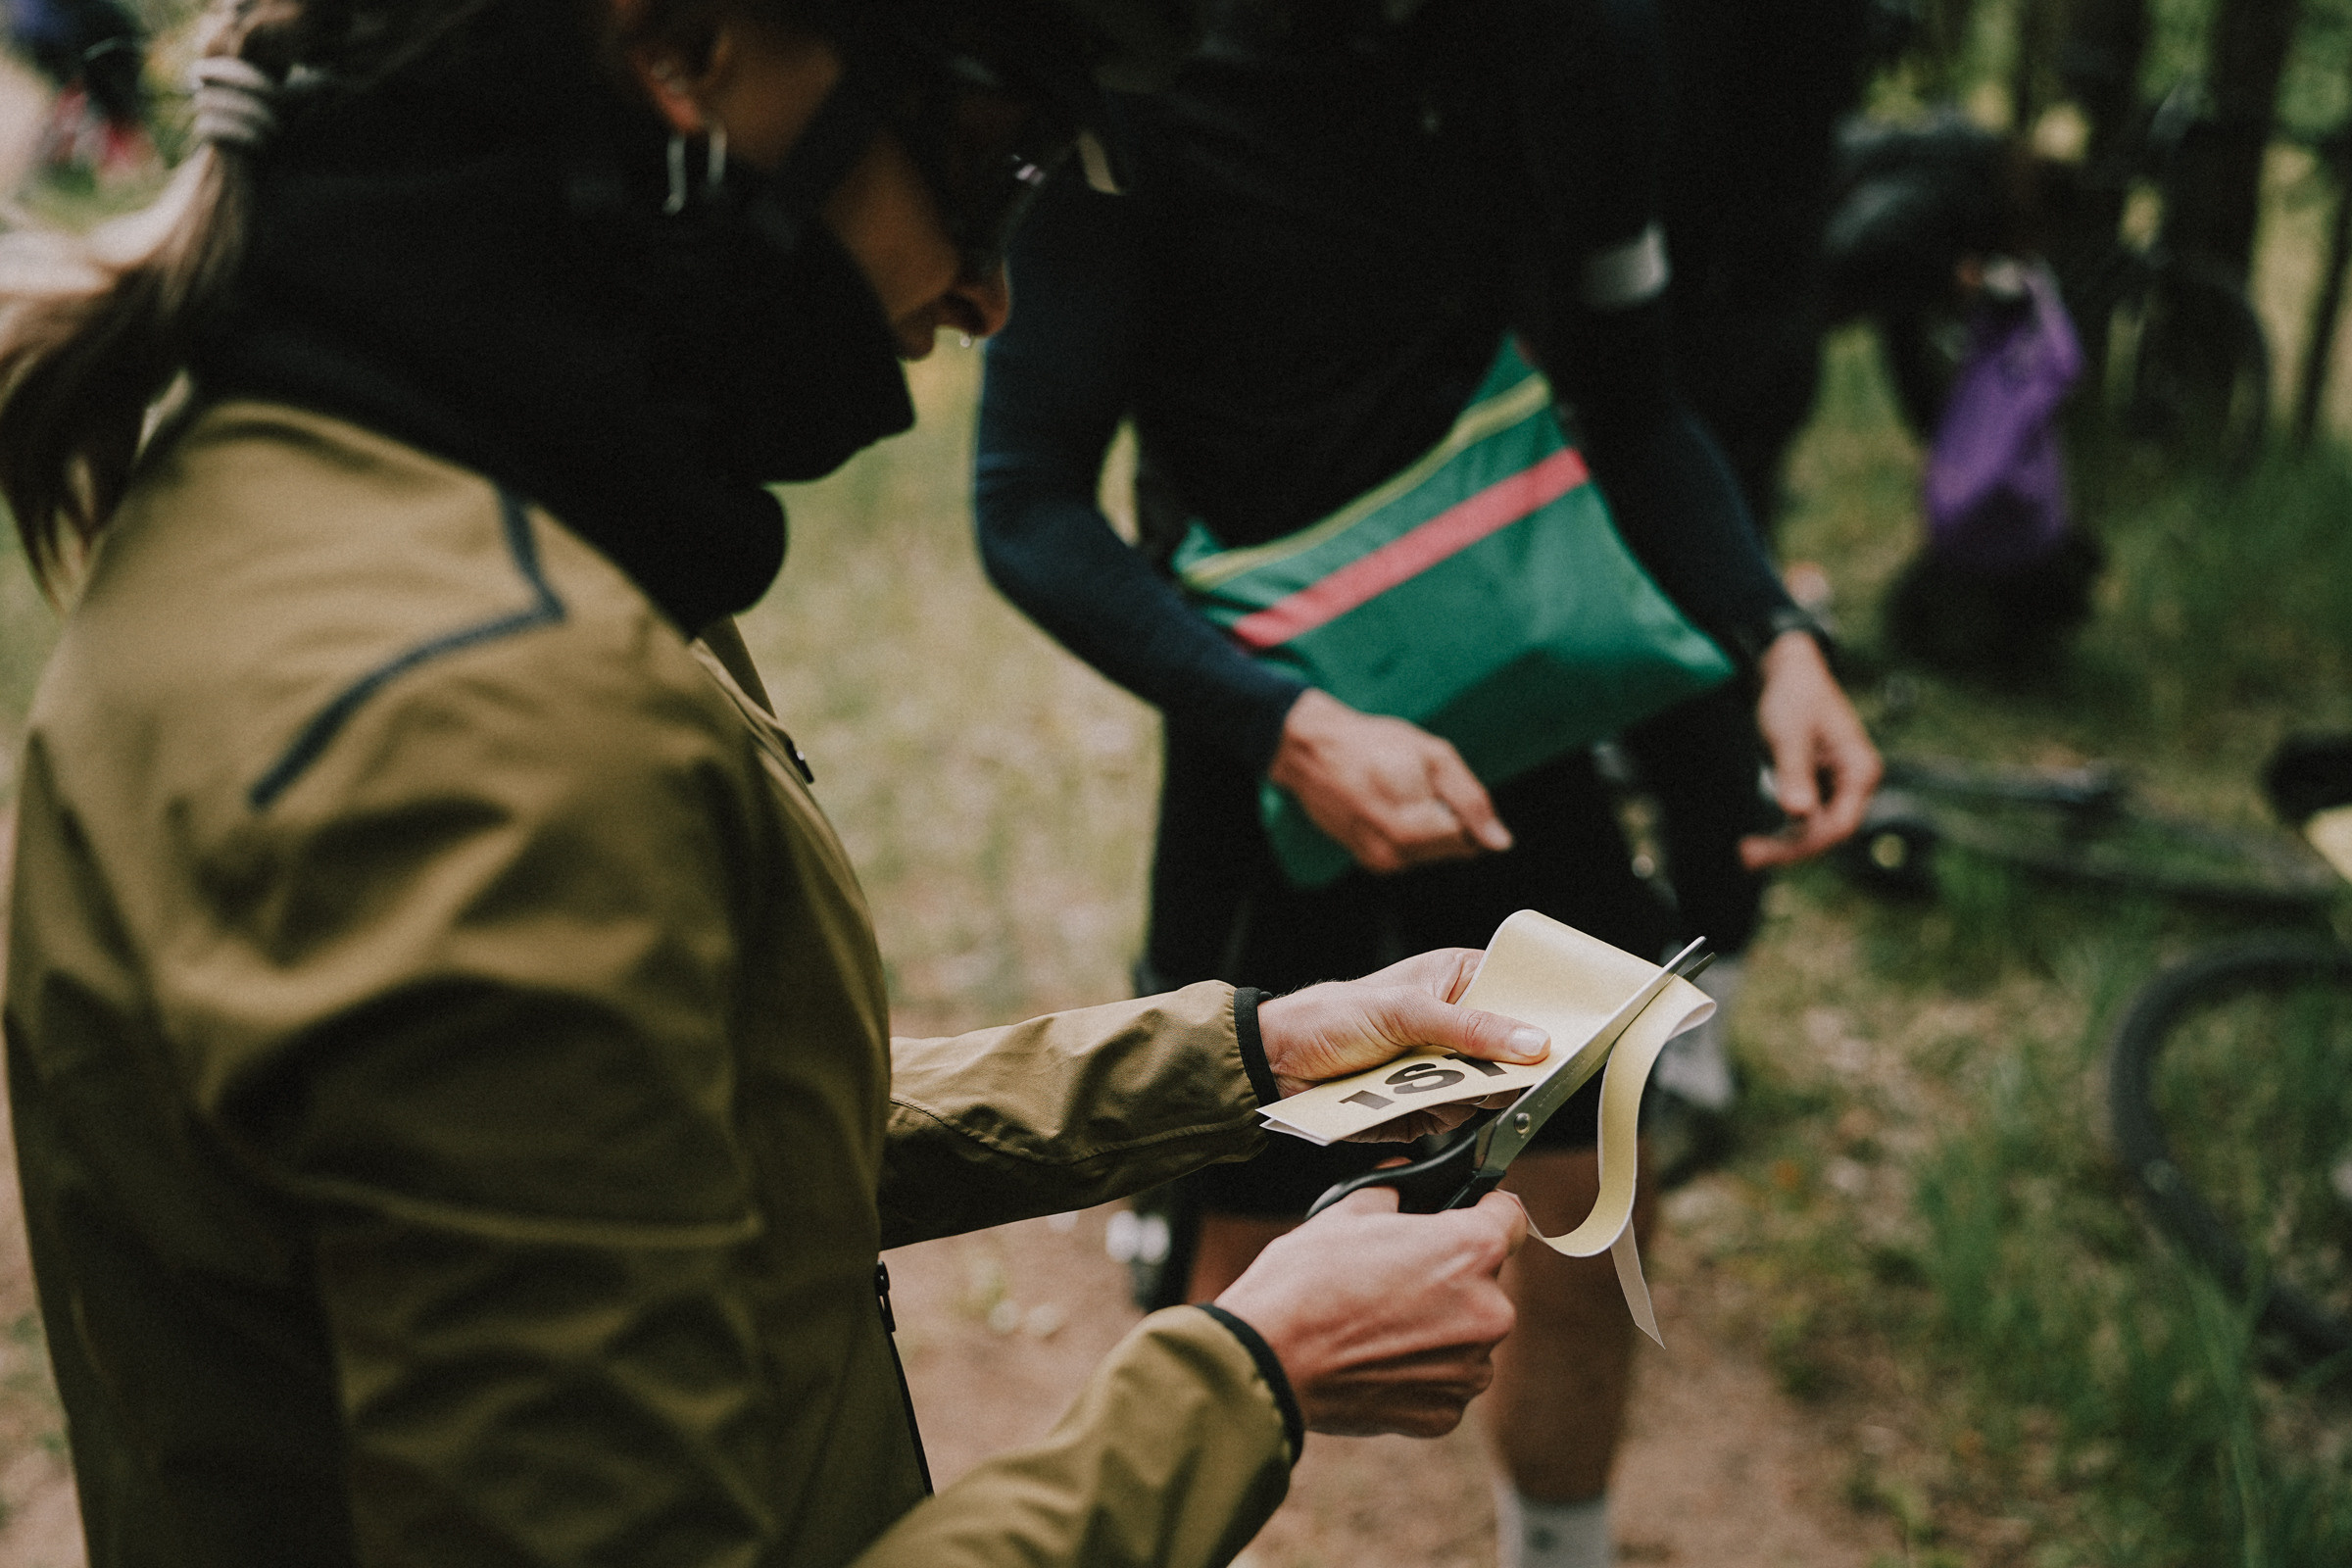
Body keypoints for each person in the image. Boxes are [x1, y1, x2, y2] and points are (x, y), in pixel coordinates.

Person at [0, 0, 1558, 1563]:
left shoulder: (318, 488)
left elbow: (688, 1149)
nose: (989, 291)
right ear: (681, 55)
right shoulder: (489, 726)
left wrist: (1246, 1059)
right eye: (991, 159)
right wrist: (1251, 1380)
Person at [969, 2, 1881, 1564]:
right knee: (1242, 1269)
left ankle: (1561, 1545)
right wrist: (1290, 731)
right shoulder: (1155, 69)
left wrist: (1776, 642)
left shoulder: (1579, 57)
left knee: (1593, 1191)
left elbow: (1638, 401)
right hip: (1270, 779)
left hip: (1514, 753)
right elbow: (1025, 502)